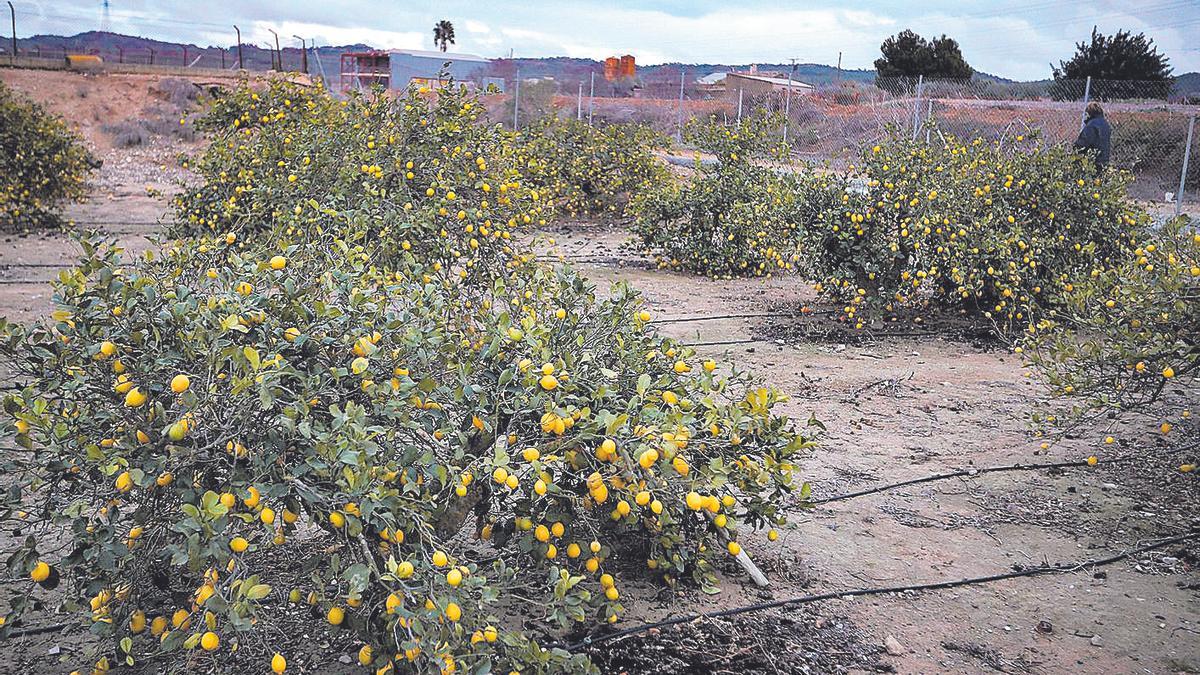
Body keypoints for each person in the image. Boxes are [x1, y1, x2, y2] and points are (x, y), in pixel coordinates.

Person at [1073, 102, 1111, 170]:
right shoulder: (1106, 124)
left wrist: (1075, 147)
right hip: (1104, 160)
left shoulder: (1091, 126)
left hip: (1093, 163)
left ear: (1089, 114)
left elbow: (1083, 144)